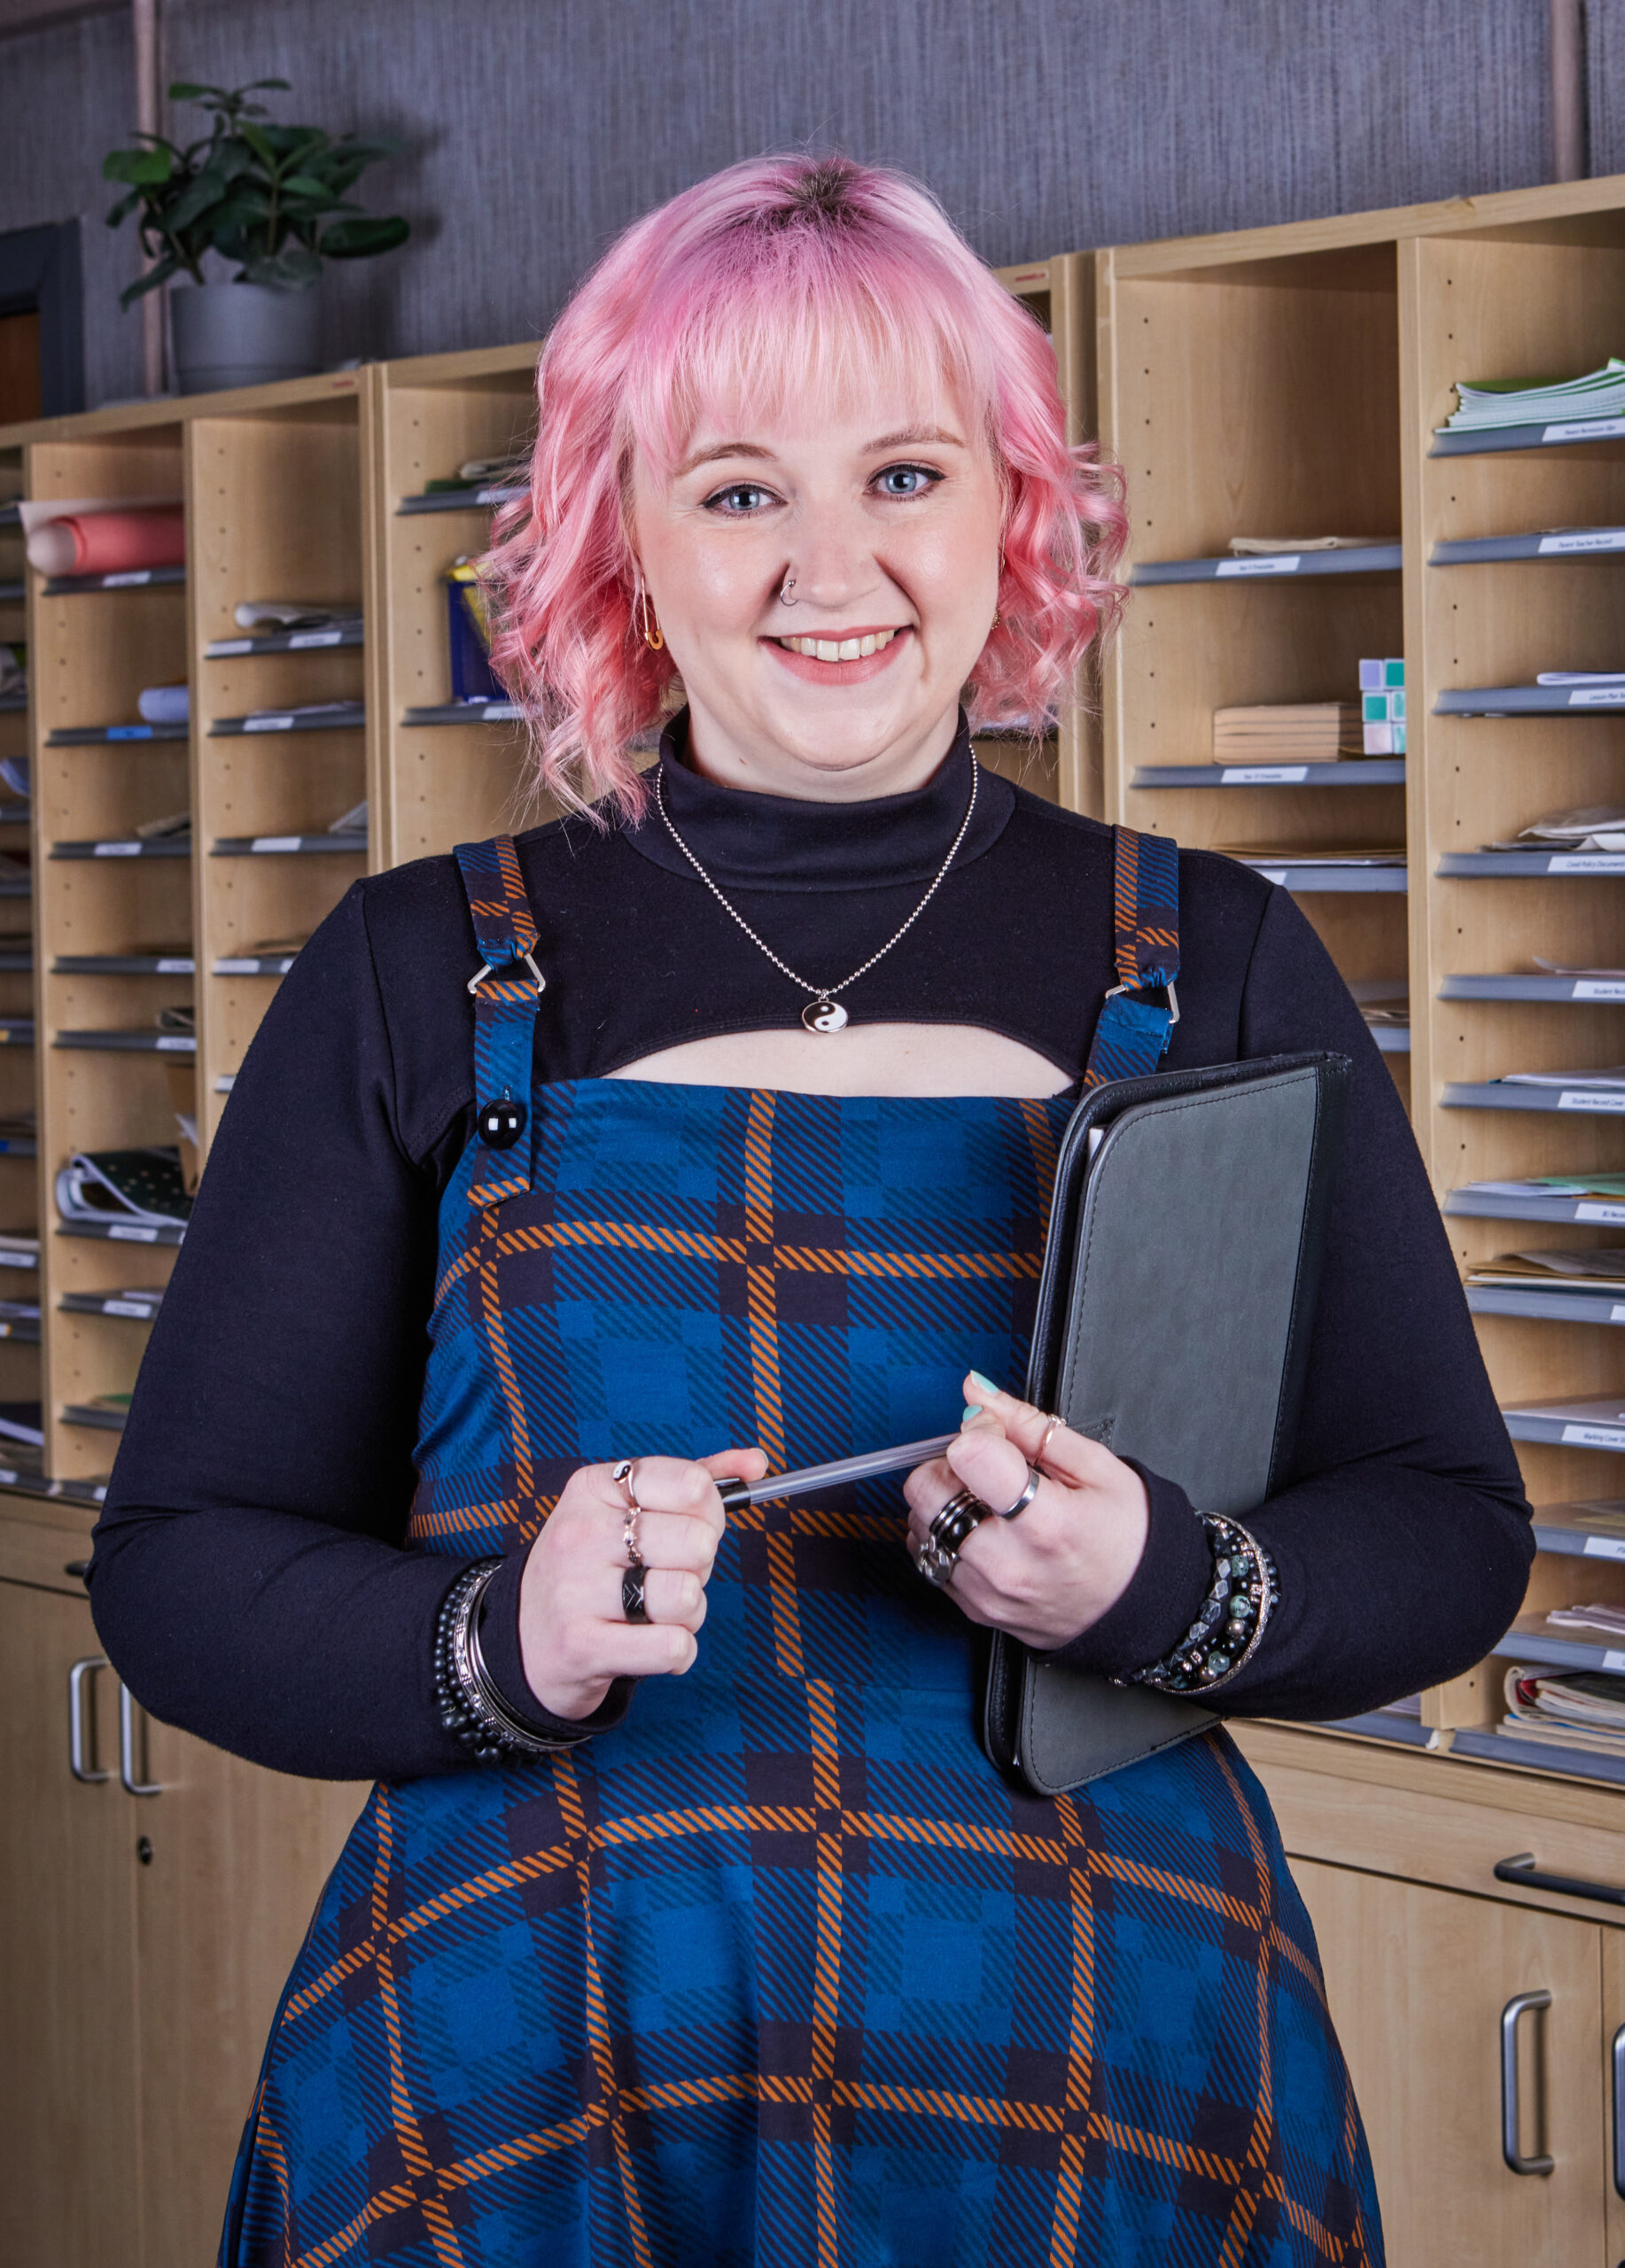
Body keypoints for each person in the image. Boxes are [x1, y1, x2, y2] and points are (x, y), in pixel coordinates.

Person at [89, 153, 1531, 2268]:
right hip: (533, 2049)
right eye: (740, 489)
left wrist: (1166, 1579)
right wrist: (503, 1634)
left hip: (1113, 2066)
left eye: (906, 473)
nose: (829, 565)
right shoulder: (420, 967)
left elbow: (1443, 1519)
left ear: (1010, 515)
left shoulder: (1211, 950)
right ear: (622, 543)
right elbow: (181, 1562)